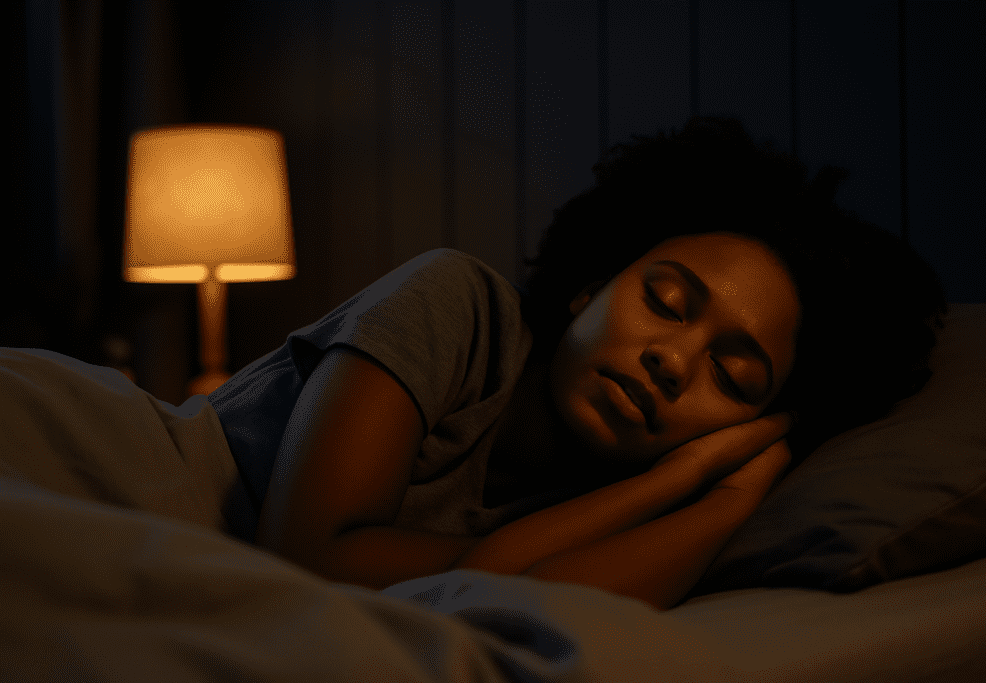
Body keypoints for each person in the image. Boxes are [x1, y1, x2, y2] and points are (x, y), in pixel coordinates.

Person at [210, 116, 947, 611]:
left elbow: (531, 602)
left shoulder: (640, 501)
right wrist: (673, 480)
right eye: (664, 300)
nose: (671, 359)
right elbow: (308, 563)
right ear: (589, 287)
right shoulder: (456, 304)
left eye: (732, 378)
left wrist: (720, 497)